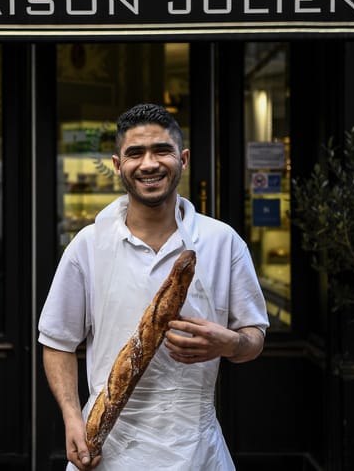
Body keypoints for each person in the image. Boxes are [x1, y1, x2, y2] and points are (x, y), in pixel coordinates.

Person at [38, 103, 269, 470]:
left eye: (162, 150)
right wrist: (71, 416)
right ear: (118, 165)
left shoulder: (222, 242)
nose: (149, 164)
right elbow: (56, 341)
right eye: (135, 153)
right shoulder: (88, 244)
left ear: (184, 158)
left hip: (195, 449)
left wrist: (232, 343)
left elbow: (253, 336)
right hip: (107, 450)